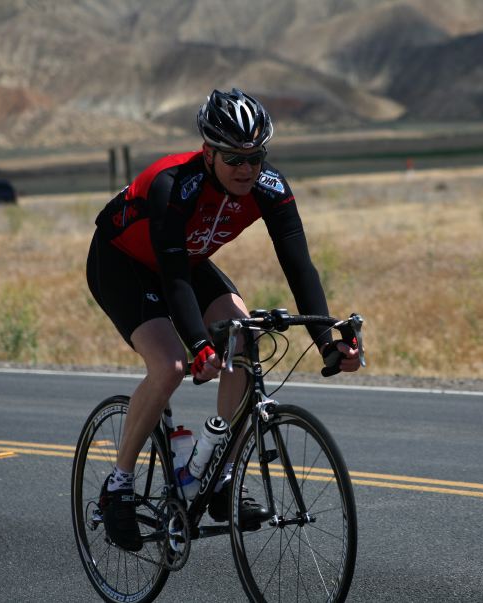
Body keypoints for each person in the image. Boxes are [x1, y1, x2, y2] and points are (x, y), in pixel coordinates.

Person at [86, 88, 363, 551]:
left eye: (256, 157)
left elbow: (299, 268)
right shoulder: (172, 185)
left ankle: (219, 475)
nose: (247, 169)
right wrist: (199, 345)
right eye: (234, 158)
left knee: (244, 338)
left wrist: (328, 341)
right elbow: (173, 277)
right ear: (209, 152)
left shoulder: (271, 187)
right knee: (171, 365)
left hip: (188, 261)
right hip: (123, 263)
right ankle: (118, 483)